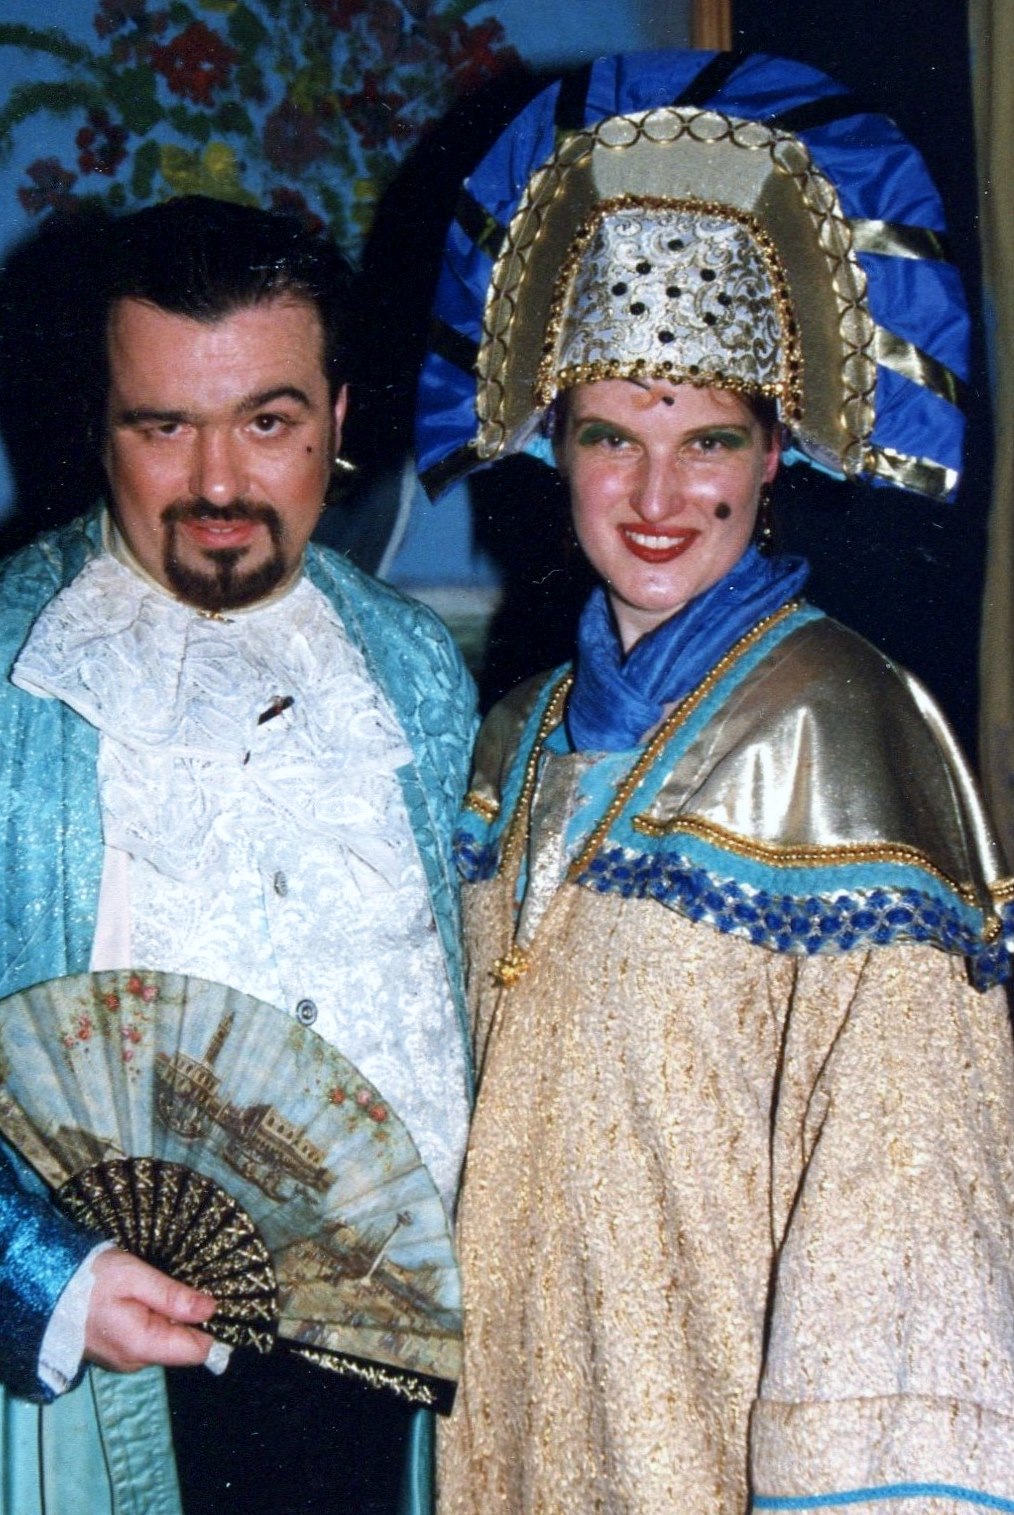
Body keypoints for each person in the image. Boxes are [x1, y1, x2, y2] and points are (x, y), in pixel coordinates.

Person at [414, 50, 1014, 1513]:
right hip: (509, 1433)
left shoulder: (848, 737)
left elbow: (905, 1207)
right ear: (552, 445)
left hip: (718, 1453)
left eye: (709, 444)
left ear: (774, 457)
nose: (656, 497)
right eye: (611, 438)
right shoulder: (515, 740)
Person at [0, 195, 476, 1515]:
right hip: (106, 1387)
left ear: (337, 417)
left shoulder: (414, 675)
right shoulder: (14, 673)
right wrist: (43, 1278)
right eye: (164, 426)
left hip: (389, 1391)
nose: (217, 485)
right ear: (99, 425)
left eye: (267, 423)